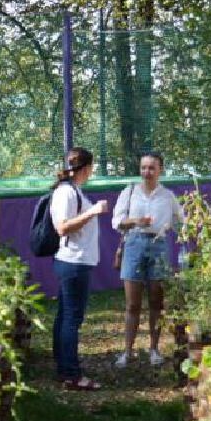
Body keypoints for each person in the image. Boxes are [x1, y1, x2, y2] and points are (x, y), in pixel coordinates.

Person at [112, 151, 186, 368]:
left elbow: (182, 222)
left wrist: (195, 224)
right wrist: (136, 221)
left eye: (152, 168)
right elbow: (116, 222)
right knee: (132, 304)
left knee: (156, 302)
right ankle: (127, 352)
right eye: (143, 167)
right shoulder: (130, 192)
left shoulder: (168, 196)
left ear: (160, 170)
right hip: (134, 245)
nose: (147, 172)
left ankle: (154, 349)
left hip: (159, 246)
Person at [50, 147, 110, 391]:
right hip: (73, 262)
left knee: (65, 316)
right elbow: (62, 227)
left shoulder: (73, 191)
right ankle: (72, 374)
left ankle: (64, 367)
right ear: (86, 168)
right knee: (71, 318)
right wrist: (93, 211)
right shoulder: (66, 193)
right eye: (91, 167)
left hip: (76, 261)